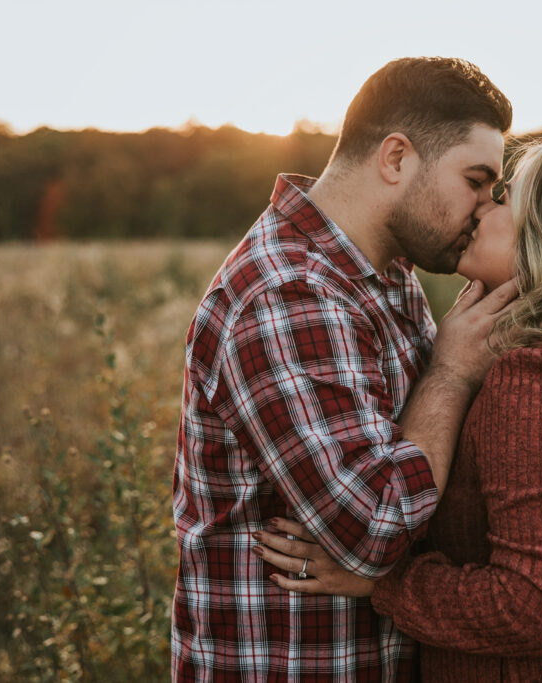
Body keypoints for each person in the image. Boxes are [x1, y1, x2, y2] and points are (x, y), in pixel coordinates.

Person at [252, 136, 542, 681]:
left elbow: (535, 609)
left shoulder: (537, 382)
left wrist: (382, 581)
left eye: (505, 198)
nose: (483, 206)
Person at [171, 57, 516, 681]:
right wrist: (452, 374)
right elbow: (374, 527)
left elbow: (426, 472)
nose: (486, 208)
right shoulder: (286, 295)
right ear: (395, 159)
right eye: (476, 179)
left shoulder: (386, 276)